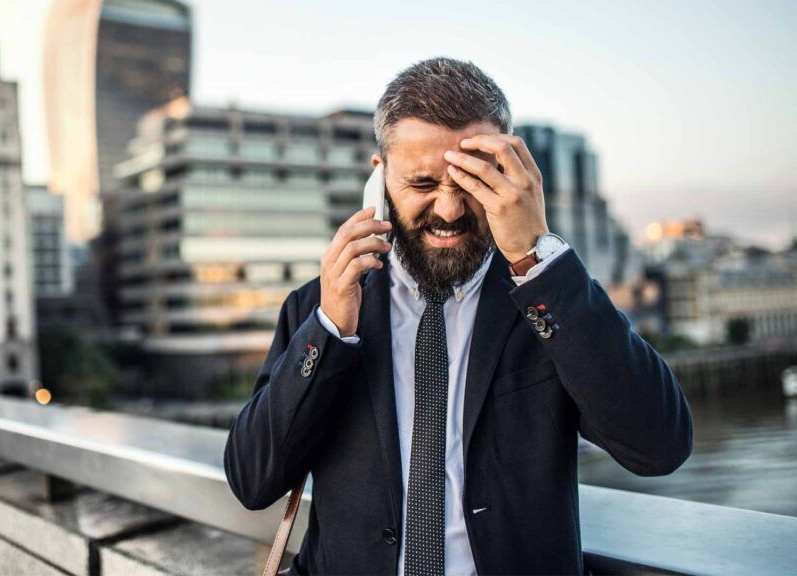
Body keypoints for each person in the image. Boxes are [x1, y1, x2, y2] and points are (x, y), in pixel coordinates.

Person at [223, 57, 693, 576]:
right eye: (422, 183)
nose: (448, 211)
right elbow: (253, 481)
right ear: (379, 181)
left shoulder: (550, 301)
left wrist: (537, 261)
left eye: (470, 183)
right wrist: (331, 330)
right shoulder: (318, 308)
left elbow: (659, 447)